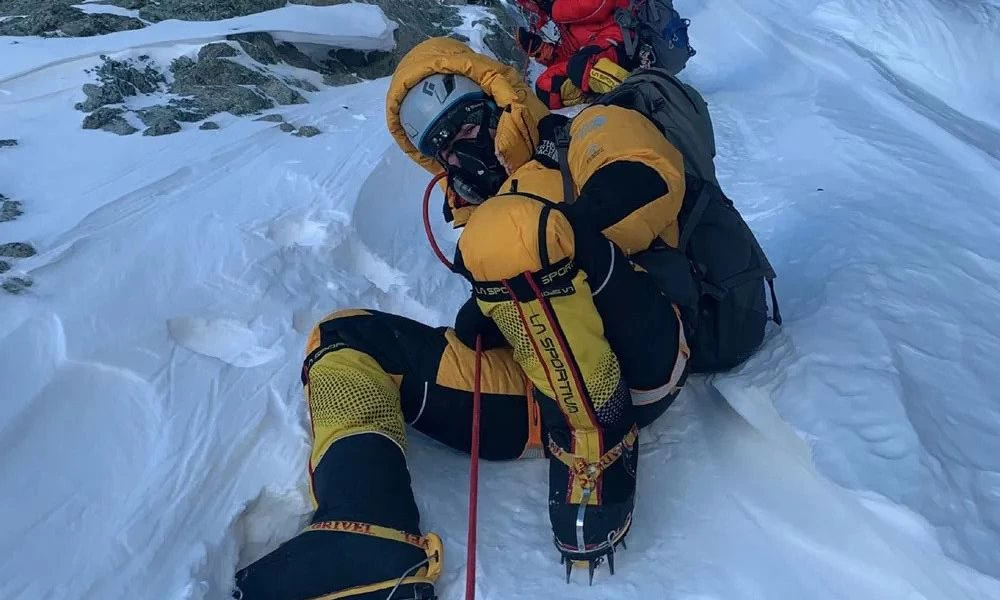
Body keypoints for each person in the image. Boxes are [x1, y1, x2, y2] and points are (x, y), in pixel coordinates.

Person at [232, 34, 776, 599]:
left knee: (506, 233)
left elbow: (647, 178)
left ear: (500, 102)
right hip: (543, 383)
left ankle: (596, 446)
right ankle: (368, 537)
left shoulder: (583, 130)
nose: (459, 152)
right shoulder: (490, 210)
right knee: (345, 339)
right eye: (441, 145)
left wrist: (547, 231)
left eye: (466, 125)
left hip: (646, 352)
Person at [512, 0, 635, 108]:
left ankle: (636, 94)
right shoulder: (559, 13)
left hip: (621, 36)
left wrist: (555, 8)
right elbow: (572, 49)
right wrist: (541, 49)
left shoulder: (559, 9)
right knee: (545, 88)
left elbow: (600, 4)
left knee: (581, 65)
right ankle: (599, 96)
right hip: (597, 47)